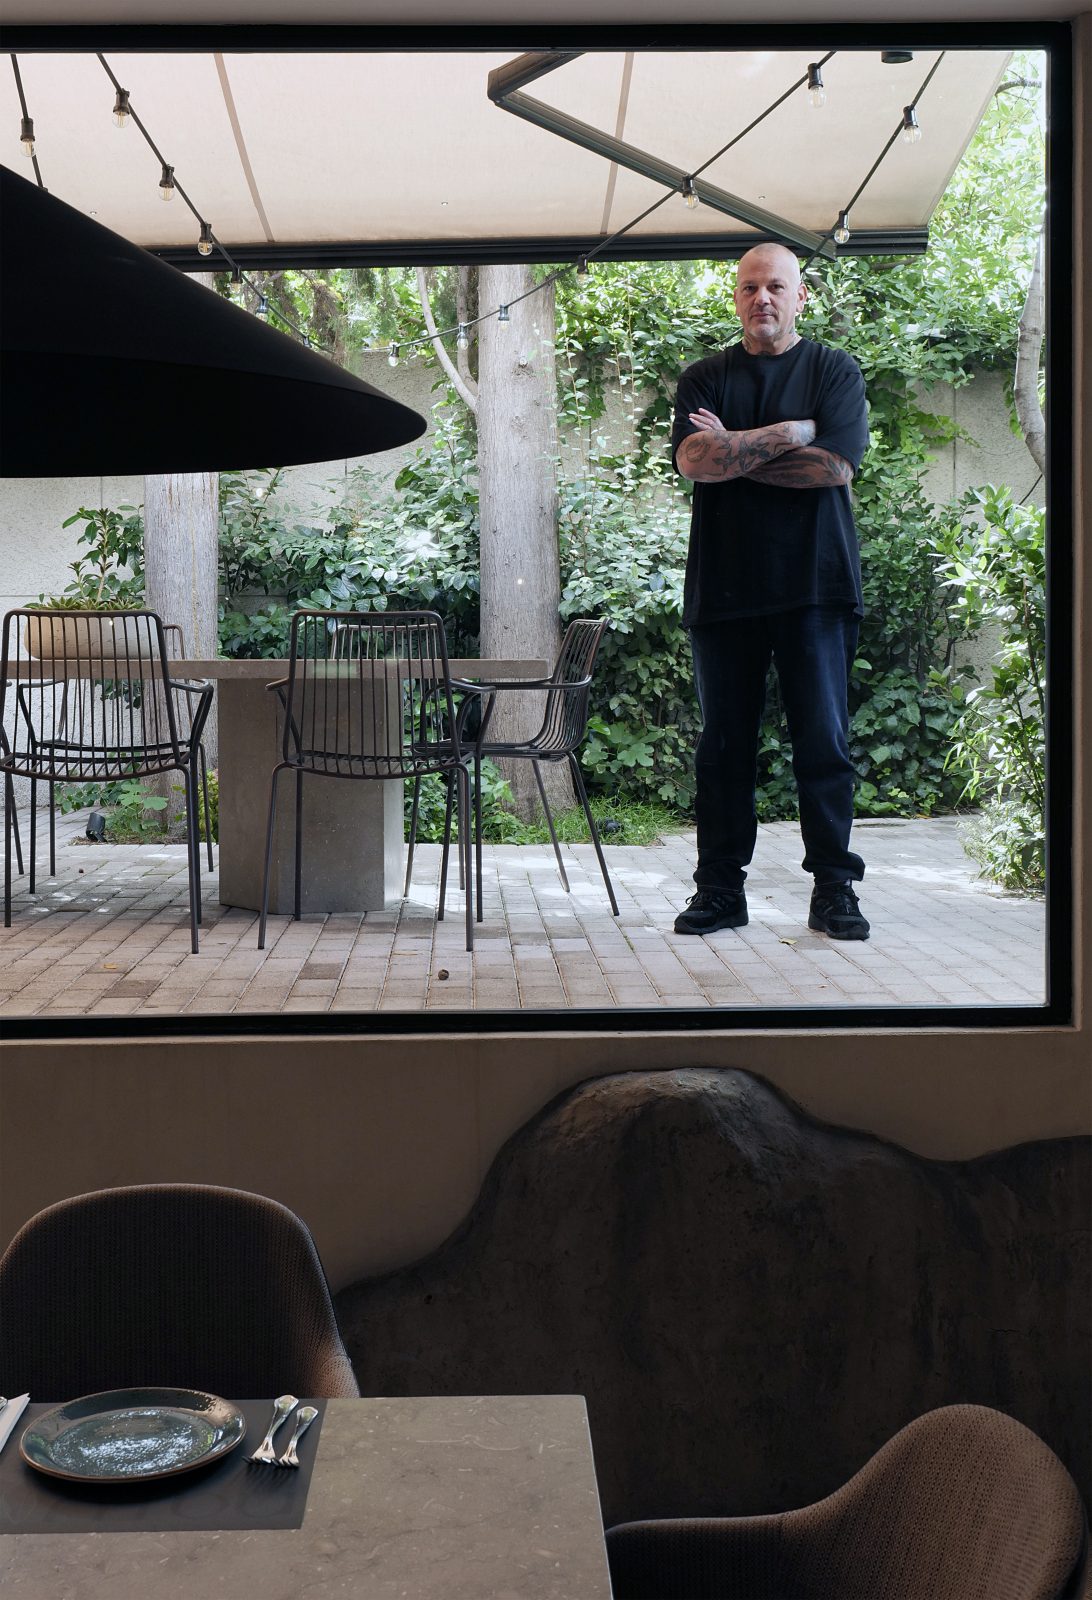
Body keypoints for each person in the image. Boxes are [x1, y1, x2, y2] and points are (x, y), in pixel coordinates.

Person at [670, 241, 871, 940]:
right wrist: (789, 432)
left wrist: (736, 449)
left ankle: (835, 889)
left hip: (816, 586)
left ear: (800, 296)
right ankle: (720, 890)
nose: (763, 298)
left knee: (824, 743)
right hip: (724, 589)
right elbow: (696, 461)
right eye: (750, 287)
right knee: (723, 749)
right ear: (736, 298)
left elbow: (834, 468)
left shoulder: (834, 370)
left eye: (776, 287)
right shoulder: (705, 377)